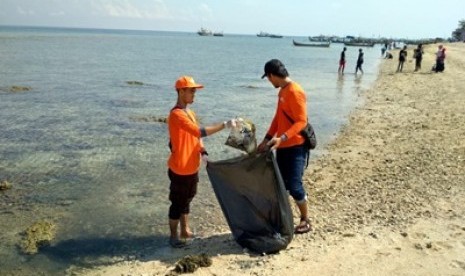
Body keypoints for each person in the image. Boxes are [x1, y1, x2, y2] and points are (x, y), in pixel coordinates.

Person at [167, 75, 237, 247]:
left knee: (188, 198)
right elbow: (199, 132)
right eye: (191, 91)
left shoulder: (190, 113)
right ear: (181, 91)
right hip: (179, 168)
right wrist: (224, 125)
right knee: (177, 203)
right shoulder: (176, 115)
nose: (194, 94)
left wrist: (203, 152)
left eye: (195, 91)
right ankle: (173, 236)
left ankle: (185, 230)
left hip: (192, 167)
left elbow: (196, 139)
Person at [257, 59, 312, 234]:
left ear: (272, 75)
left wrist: (283, 137)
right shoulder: (282, 91)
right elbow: (278, 118)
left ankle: (305, 219)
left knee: (295, 186)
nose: (269, 81)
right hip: (282, 147)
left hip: (296, 147)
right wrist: (267, 139)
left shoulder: (295, 91)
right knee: (280, 186)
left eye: (268, 78)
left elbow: (302, 122)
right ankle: (282, 218)